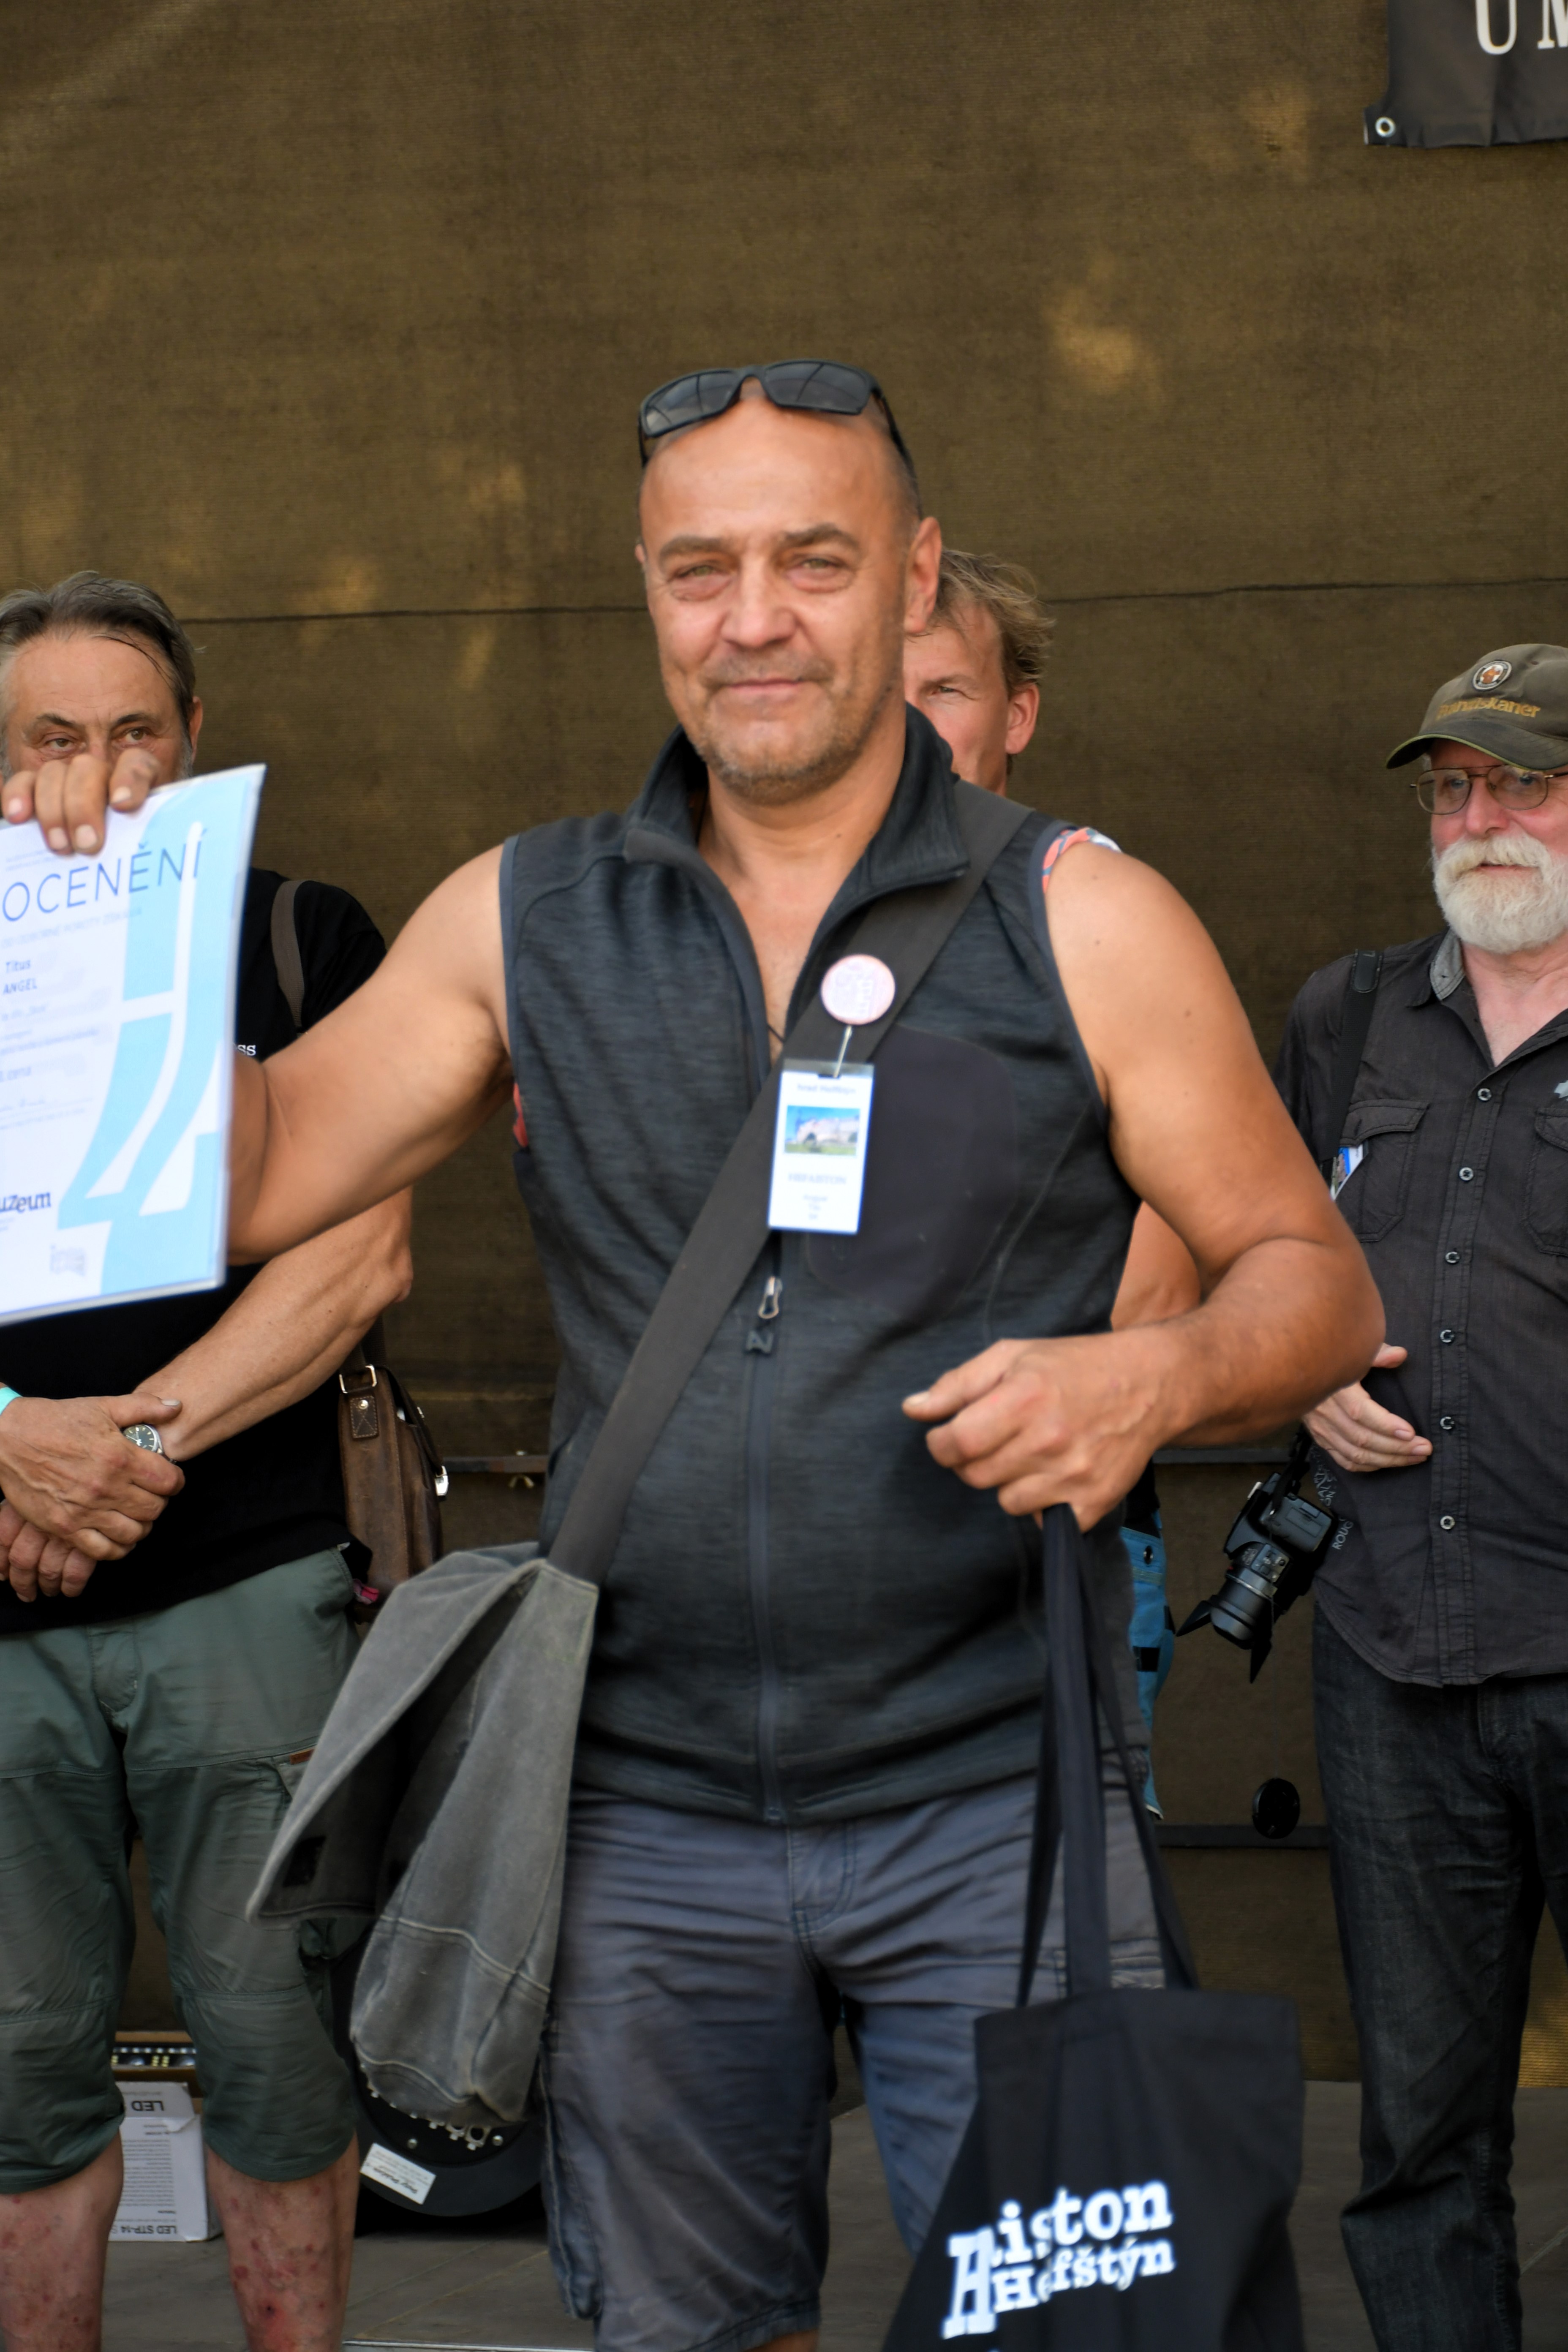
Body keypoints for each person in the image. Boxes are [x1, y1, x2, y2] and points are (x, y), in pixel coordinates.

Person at [104, 365, 1375, 2352]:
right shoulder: (525, 915)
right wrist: (98, 900)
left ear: (913, 576)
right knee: (684, 2330)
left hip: (995, 1804)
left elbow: (1314, 1281)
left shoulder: (1082, 916)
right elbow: (249, 1179)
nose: (753, 617)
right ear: (646, 587)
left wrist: (1151, 1380)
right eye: (701, 568)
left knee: (1079, 2332)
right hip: (642, 1820)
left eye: (814, 561)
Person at [0, 573, 413, 2352]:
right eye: (51, 736)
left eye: (135, 733)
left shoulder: (304, 936)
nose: (99, 772)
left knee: (273, 2039)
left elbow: (362, 1256)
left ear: (193, 744)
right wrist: (6, 1443)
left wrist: (117, 1453)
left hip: (244, 1578)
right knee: (14, 2063)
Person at [1275, 642, 1568, 2352]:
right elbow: (1254, 1243)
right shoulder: (1350, 1013)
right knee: (1420, 2140)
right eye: (1454, 789)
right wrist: (1298, 1362)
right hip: (1395, 1654)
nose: (1480, 820)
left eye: (1523, 783)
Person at [903, 548, 1186, 1806]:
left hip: (1043, 1524)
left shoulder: (1091, 915)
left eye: (945, 692)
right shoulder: (771, 928)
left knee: (1062, 1895)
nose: (910, 729)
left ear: (1017, 715)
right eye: (881, 694)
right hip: (828, 1545)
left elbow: (1164, 1270)